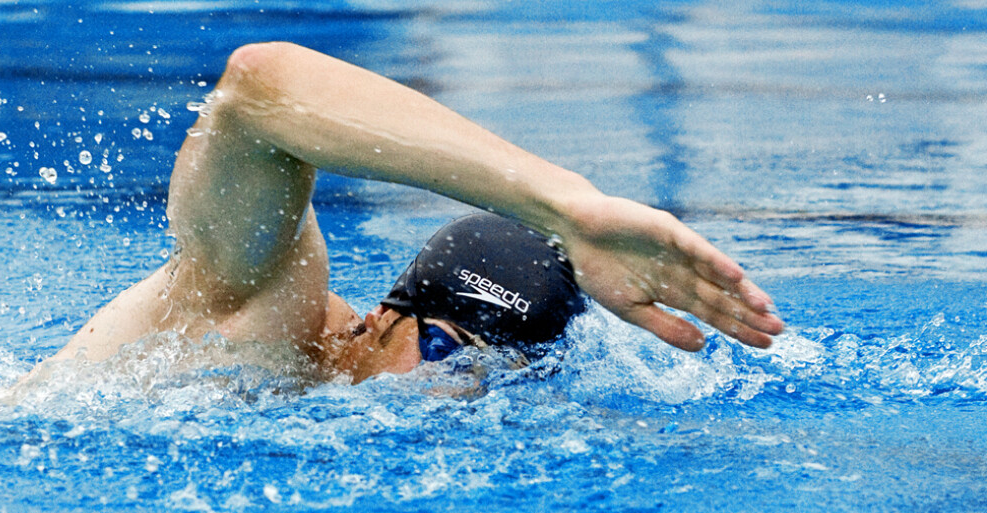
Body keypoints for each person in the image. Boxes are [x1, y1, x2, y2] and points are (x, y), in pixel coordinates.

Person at [46, 42, 784, 384]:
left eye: (508, 375)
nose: (462, 391)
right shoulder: (264, 303)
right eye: (446, 351)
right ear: (382, 317)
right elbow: (256, 89)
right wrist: (569, 204)